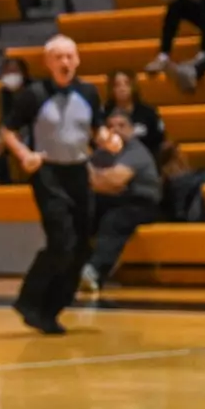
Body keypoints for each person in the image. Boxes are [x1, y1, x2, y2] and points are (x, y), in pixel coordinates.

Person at [0, 35, 101, 334]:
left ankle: (52, 309)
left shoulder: (89, 93)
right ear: (48, 62)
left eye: (69, 56)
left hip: (78, 172)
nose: (65, 62)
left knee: (81, 245)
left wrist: (108, 139)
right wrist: (24, 155)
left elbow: (97, 129)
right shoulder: (34, 94)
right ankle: (29, 302)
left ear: (78, 60)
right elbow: (7, 131)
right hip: (48, 173)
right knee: (61, 240)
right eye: (58, 57)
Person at [80, 109, 162, 291]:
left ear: (131, 130)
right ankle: (74, 267)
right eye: (110, 126)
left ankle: (94, 271)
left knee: (115, 220)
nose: (115, 130)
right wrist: (100, 179)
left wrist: (97, 177)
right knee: (79, 213)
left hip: (142, 202)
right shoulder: (103, 152)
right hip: (114, 200)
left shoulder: (136, 151)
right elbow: (87, 180)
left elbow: (114, 181)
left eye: (121, 125)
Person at [104, 68, 164, 159]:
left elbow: (159, 141)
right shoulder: (104, 113)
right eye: (117, 85)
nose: (122, 88)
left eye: (127, 84)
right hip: (113, 161)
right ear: (111, 89)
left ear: (133, 87)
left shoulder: (148, 113)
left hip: (144, 159)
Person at [0, 56, 32, 184]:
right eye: (7, 72)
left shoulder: (33, 92)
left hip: (33, 132)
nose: (11, 75)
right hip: (12, 133)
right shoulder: (3, 94)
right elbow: (4, 120)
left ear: (24, 73)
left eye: (14, 71)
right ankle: (5, 184)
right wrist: (2, 137)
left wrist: (15, 136)